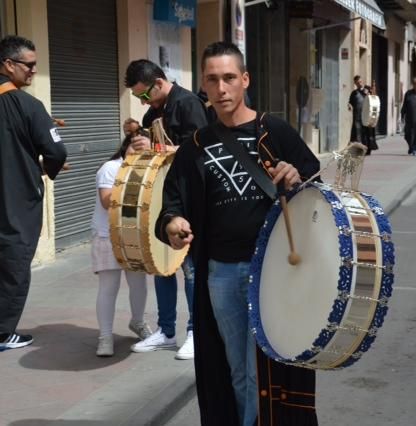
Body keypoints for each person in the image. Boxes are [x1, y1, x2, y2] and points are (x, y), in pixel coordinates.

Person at [155, 41, 319, 426]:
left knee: (267, 366)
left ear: (245, 79)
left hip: (277, 272)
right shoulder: (193, 147)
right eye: (213, 80)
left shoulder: (274, 131)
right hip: (221, 273)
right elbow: (171, 205)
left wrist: (296, 177)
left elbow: (317, 188)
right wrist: (172, 226)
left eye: (229, 78)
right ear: (204, 86)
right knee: (236, 367)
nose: (222, 88)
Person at [124, 59, 209, 360]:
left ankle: (195, 332)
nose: (141, 101)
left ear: (159, 83)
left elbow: (204, 147)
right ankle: (166, 330)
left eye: (144, 95)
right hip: (163, 200)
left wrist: (172, 149)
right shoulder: (153, 112)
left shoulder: (188, 104)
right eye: (137, 98)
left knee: (189, 269)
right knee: (161, 267)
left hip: (190, 200)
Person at [0, 36, 67, 350]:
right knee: (15, 260)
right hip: (16, 200)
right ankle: (3, 332)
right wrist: (46, 167)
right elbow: (56, 151)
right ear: (9, 64)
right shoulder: (29, 105)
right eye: (29, 65)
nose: (34, 71)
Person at [91, 132, 152, 356]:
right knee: (109, 287)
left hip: (134, 236)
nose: (138, 151)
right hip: (107, 235)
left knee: (138, 284)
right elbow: (107, 201)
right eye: (134, 146)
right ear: (126, 146)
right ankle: (105, 336)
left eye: (144, 148)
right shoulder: (110, 168)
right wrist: (130, 178)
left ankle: (138, 322)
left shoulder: (148, 170)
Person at [348, 75, 367, 143]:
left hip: (365, 115)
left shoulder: (367, 90)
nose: (359, 84)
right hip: (357, 116)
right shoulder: (354, 93)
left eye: (360, 82)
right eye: (357, 83)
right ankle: (358, 147)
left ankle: (366, 148)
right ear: (355, 84)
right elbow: (350, 102)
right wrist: (350, 106)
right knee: (356, 132)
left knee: (365, 132)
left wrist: (367, 93)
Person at [362, 83, 379, 155]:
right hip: (364, 119)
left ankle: (369, 149)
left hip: (370, 120)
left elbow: (375, 110)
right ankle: (366, 149)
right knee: (365, 135)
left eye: (367, 91)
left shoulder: (373, 98)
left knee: (370, 136)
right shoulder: (364, 98)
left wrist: (373, 120)